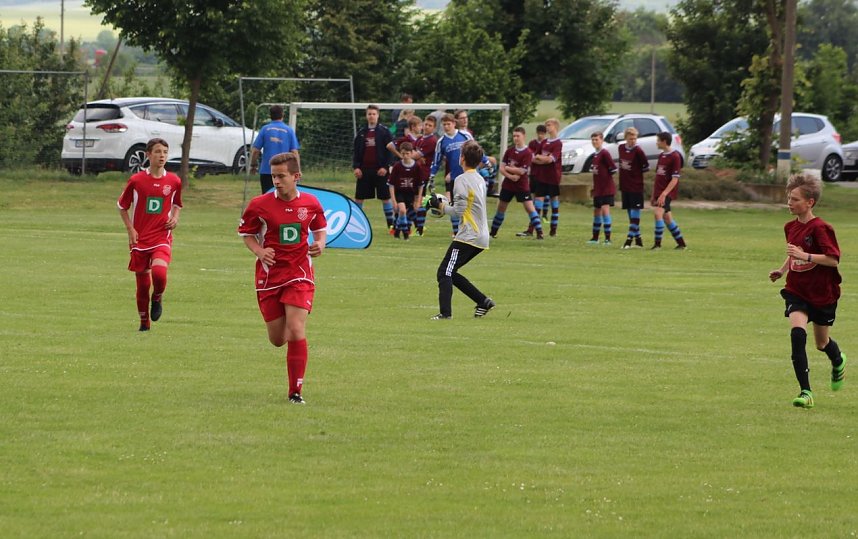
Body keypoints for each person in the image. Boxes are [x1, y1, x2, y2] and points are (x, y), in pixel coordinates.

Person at [238, 151, 327, 405]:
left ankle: (295, 391)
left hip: (299, 274)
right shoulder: (259, 205)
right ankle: (290, 349)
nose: (276, 181)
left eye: (281, 176)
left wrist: (320, 244)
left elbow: (320, 229)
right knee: (278, 339)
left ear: (296, 176)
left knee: (297, 328)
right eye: (274, 176)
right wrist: (259, 251)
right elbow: (247, 233)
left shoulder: (310, 203)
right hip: (269, 277)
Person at [769, 173, 846, 409]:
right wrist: (782, 270)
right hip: (797, 290)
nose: (789, 203)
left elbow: (833, 260)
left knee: (821, 343)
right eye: (789, 198)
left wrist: (806, 256)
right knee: (797, 335)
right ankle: (806, 392)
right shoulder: (789, 227)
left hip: (823, 293)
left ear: (809, 202)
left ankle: (837, 360)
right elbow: (794, 253)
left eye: (794, 199)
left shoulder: (822, 228)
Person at [117, 138, 183, 331]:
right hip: (139, 240)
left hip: (162, 237)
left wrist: (175, 218)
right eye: (157, 152)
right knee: (143, 285)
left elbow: (177, 204)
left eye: (165, 152)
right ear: (148, 155)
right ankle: (144, 323)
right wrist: (131, 229)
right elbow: (122, 207)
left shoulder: (174, 181)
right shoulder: (137, 180)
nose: (162, 155)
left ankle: (157, 297)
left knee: (160, 273)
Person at [426, 140, 494, 319]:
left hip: (469, 236)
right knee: (451, 272)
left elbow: (458, 212)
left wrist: (439, 206)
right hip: (481, 235)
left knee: (444, 272)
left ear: (462, 158)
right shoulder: (479, 179)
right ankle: (483, 301)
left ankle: (445, 314)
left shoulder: (461, 180)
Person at [490, 126, 543, 240]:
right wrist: (509, 175)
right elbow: (502, 168)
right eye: (514, 136)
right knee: (501, 208)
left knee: (530, 208)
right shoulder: (509, 151)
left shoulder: (528, 153)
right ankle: (493, 233)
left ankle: (539, 232)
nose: (515, 138)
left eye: (518, 136)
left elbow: (522, 171)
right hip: (508, 184)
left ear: (523, 136)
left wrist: (509, 168)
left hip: (521, 185)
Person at [352, 104, 395, 231]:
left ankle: (391, 226)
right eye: (369, 114)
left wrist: (386, 167)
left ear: (378, 115)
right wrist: (356, 167)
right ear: (366, 116)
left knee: (385, 198)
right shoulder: (361, 132)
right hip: (364, 171)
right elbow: (356, 151)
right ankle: (355, 225)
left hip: (380, 170)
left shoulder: (384, 131)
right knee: (359, 198)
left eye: (374, 114)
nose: (371, 116)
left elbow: (391, 151)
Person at [522, 118, 562, 237]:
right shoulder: (544, 142)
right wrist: (542, 159)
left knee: (554, 203)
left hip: (553, 177)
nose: (547, 127)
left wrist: (542, 159)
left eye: (549, 125)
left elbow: (551, 160)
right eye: (546, 125)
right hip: (541, 176)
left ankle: (553, 230)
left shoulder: (558, 143)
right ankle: (532, 229)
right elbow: (533, 158)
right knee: (537, 203)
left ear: (555, 126)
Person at [250, 105, 300, 194]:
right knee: (284, 196)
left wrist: (253, 165)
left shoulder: (265, 129)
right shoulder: (289, 130)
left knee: (267, 197)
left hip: (267, 170)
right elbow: (294, 152)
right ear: (282, 115)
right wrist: (297, 170)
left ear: (270, 115)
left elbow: (255, 151)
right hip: (285, 171)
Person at [650, 132, 687, 249]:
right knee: (667, 218)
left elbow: (675, 179)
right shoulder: (661, 156)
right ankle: (681, 243)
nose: (656, 142)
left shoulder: (675, 157)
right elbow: (658, 177)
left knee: (657, 214)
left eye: (658, 140)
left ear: (664, 141)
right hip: (659, 192)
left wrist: (664, 194)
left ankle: (657, 244)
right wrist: (653, 194)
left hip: (666, 192)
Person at [617, 126, 650, 249]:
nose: (633, 141)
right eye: (630, 139)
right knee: (630, 213)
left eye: (635, 138)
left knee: (635, 212)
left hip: (636, 186)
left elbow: (645, 166)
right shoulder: (620, 148)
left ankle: (628, 240)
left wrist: (635, 174)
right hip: (625, 185)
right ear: (626, 138)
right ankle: (639, 240)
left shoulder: (638, 151)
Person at [387, 142, 427, 240]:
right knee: (402, 210)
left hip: (411, 194)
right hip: (400, 193)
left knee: (407, 213)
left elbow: (420, 185)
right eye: (403, 154)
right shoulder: (397, 166)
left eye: (407, 154)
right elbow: (391, 185)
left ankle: (397, 230)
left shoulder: (417, 166)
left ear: (412, 153)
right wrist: (393, 201)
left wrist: (418, 200)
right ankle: (405, 234)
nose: (405, 156)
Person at [586, 131, 618, 245]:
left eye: (597, 140)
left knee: (605, 211)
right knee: (596, 212)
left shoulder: (605, 153)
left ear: (602, 140)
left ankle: (608, 239)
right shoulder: (595, 155)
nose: (594, 142)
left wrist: (605, 180)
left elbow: (613, 169)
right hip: (598, 189)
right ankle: (595, 238)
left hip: (606, 188)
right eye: (593, 140)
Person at [528, 124, 550, 221]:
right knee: (533, 194)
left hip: (545, 174)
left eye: (542, 134)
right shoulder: (532, 143)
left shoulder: (548, 144)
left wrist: (540, 160)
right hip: (533, 173)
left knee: (545, 195)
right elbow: (531, 158)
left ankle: (544, 215)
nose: (540, 135)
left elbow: (548, 159)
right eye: (539, 133)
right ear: (537, 133)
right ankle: (535, 215)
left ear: (545, 134)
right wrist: (541, 161)